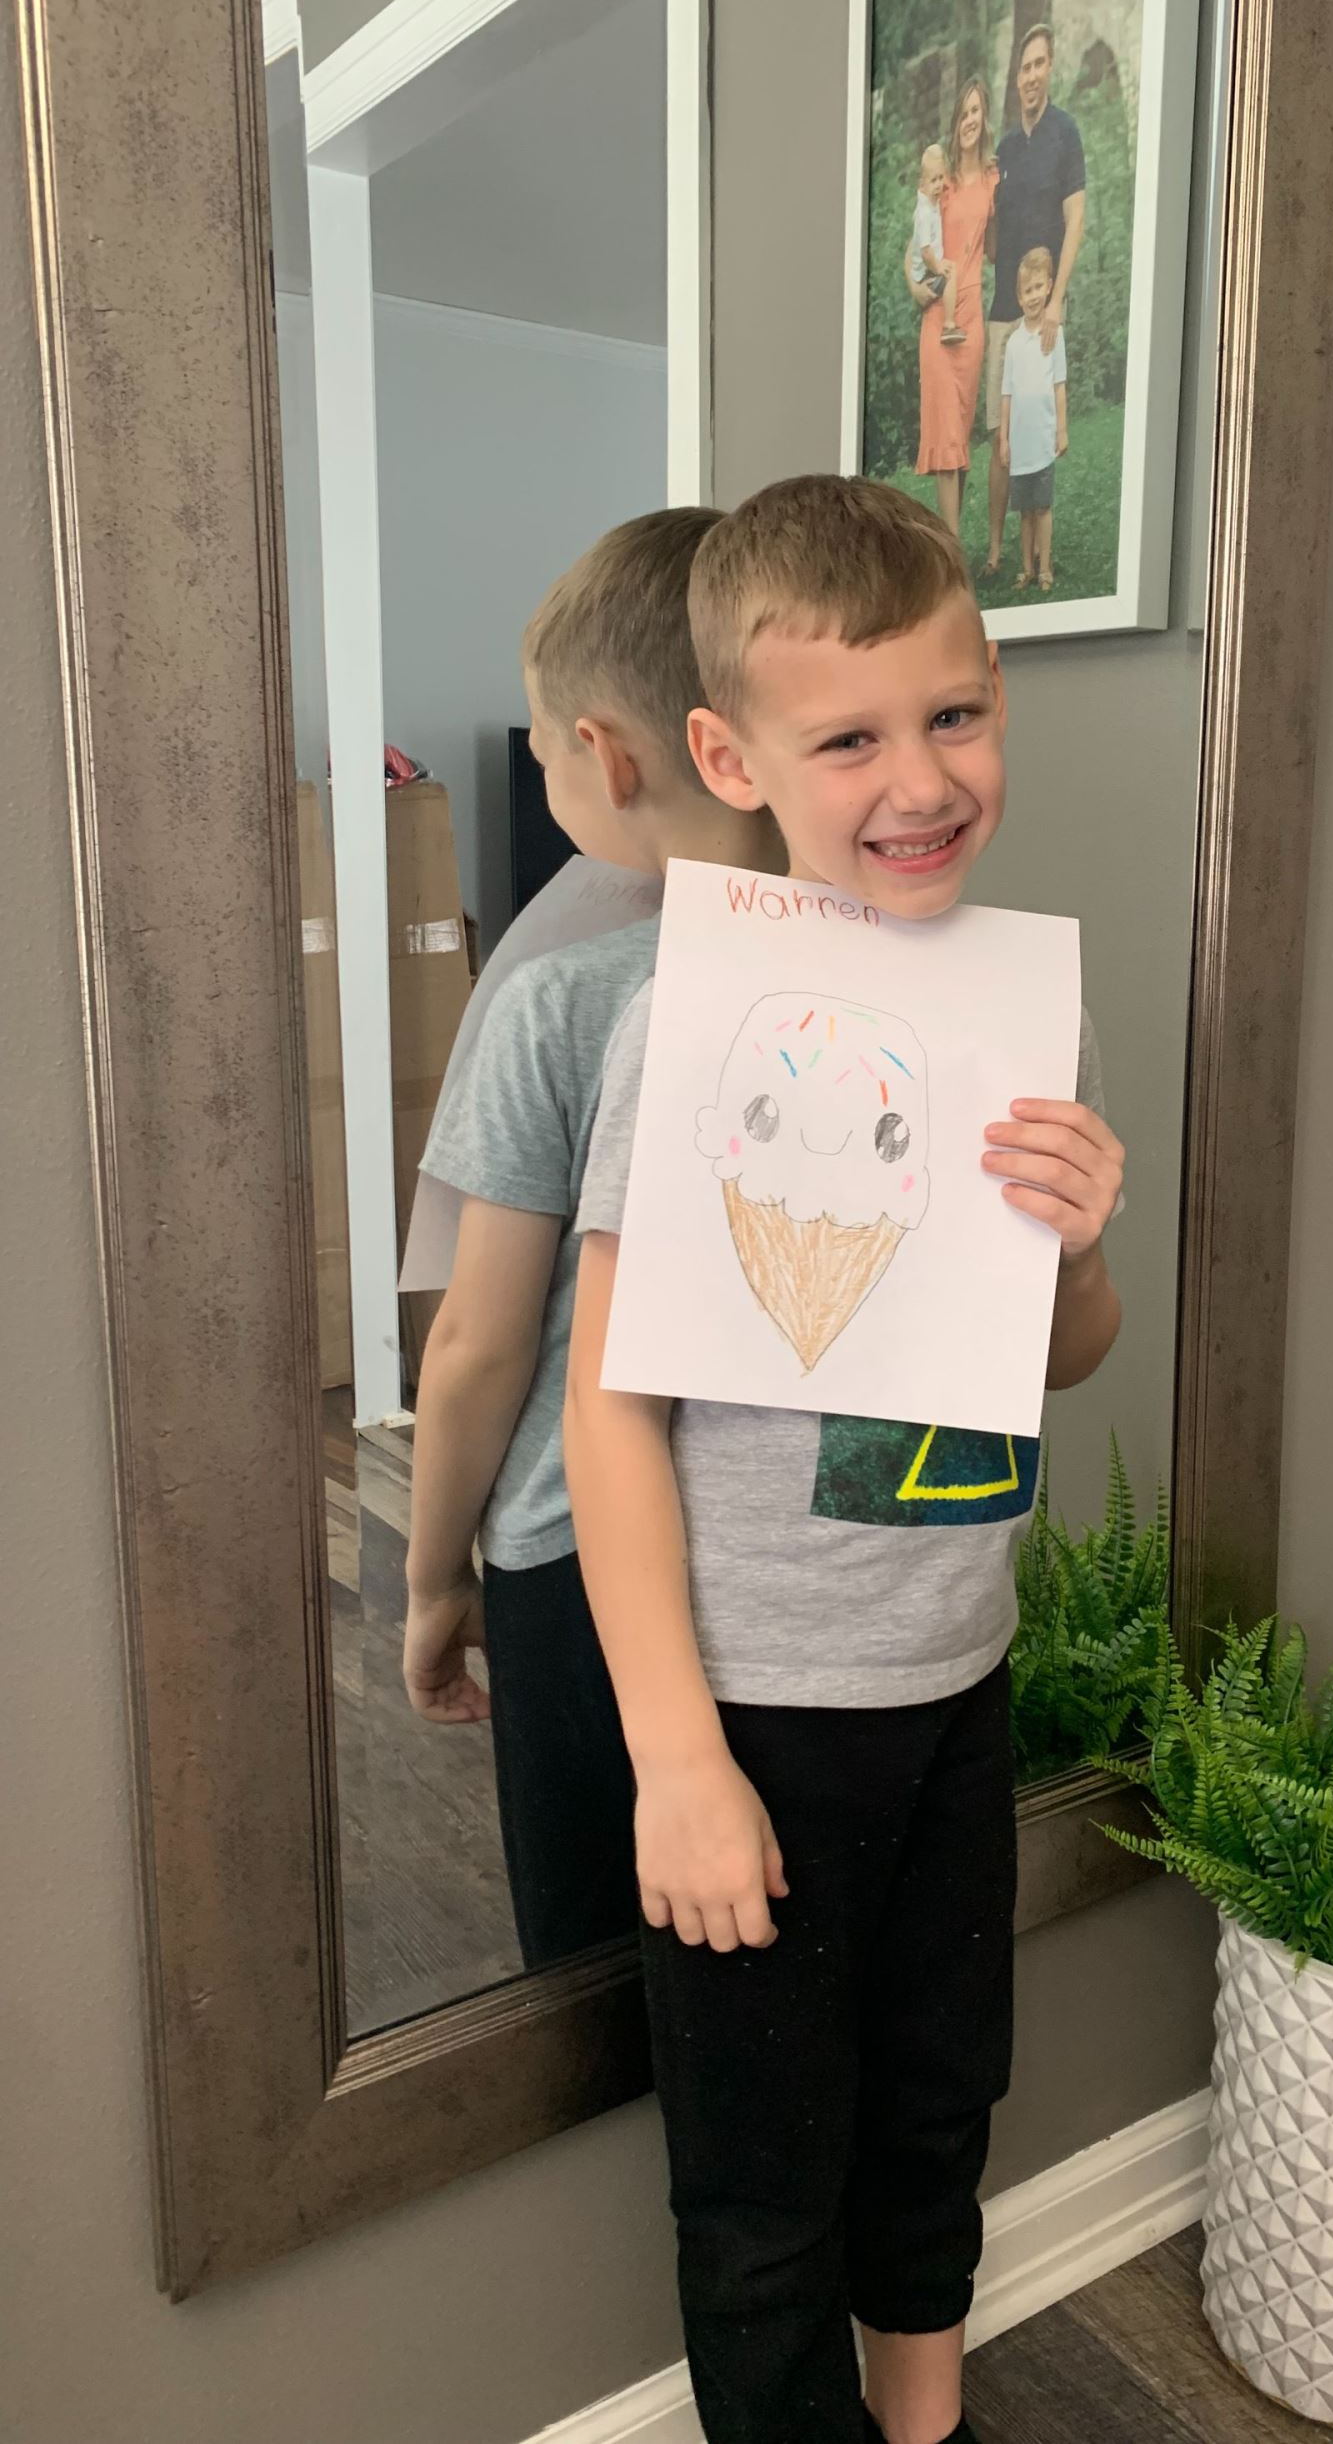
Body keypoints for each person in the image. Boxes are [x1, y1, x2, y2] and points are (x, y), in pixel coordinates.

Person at [564, 476, 1125, 2444]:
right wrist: (679, 1758)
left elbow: (1053, 1361)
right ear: (731, 760)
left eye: (953, 713)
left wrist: (1079, 1252)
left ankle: (926, 2420)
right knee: (761, 2180)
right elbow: (609, 1409)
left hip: (954, 1676)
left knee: (933, 2108)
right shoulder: (679, 1028)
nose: (920, 778)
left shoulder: (1013, 1020)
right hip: (761, 1713)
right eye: (850, 739)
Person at [400, 508, 780, 1970]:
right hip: (782, 1568)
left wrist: (435, 1578)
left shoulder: (558, 1000)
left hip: (571, 1554)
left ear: (605, 759)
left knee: (593, 1962)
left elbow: (479, 1343)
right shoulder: (890, 982)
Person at [984, 24, 1085, 578]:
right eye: (1023, 67)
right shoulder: (1002, 149)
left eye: (1038, 64)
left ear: (1050, 69)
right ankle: (997, 553)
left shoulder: (1065, 134)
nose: (1030, 75)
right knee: (999, 432)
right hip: (1003, 308)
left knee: (1041, 425)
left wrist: (1056, 301)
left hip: (1042, 311)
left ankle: (1040, 551)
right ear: (1016, 77)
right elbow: (991, 238)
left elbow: (1076, 219)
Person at [908, 77, 998, 539]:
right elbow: (914, 245)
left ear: (985, 117)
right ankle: (952, 551)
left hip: (971, 317)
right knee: (945, 438)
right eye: (963, 113)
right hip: (938, 317)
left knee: (959, 441)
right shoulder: (940, 181)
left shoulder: (993, 180)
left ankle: (948, 544)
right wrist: (914, 285)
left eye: (975, 111)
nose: (969, 121)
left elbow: (997, 246)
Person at [997, 246, 1070, 593]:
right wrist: (1004, 439)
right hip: (1021, 443)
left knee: (1042, 507)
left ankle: (1045, 569)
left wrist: (1061, 431)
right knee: (1024, 511)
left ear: (1050, 286)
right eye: (1027, 290)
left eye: (1039, 287)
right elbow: (1007, 393)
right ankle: (1025, 569)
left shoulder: (1054, 335)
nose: (1034, 296)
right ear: (1018, 296)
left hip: (1042, 439)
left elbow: (1059, 386)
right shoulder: (1013, 343)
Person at [908, 142, 965, 346]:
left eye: (941, 178)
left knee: (949, 270)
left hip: (927, 267)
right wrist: (938, 267)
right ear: (922, 185)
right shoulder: (924, 214)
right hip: (925, 273)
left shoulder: (932, 201)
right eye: (933, 180)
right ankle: (949, 325)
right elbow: (925, 251)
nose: (939, 185)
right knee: (951, 272)